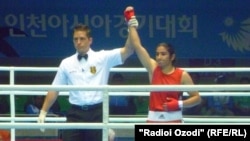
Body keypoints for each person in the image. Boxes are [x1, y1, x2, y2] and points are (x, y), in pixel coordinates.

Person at [37, 23, 134, 141]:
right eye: (75, 39)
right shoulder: (66, 63)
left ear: (90, 40)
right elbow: (55, 89)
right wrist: (43, 112)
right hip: (75, 113)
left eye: (82, 39)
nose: (78, 42)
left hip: (97, 113)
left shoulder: (102, 58)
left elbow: (128, 50)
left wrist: (131, 27)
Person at [124, 6, 201, 123]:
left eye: (163, 54)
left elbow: (197, 98)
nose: (159, 57)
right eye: (157, 54)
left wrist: (179, 103)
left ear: (172, 56)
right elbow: (137, 46)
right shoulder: (153, 68)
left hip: (174, 119)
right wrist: (131, 23)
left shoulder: (182, 74)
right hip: (153, 120)